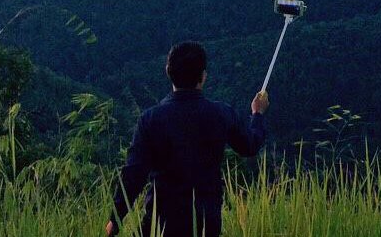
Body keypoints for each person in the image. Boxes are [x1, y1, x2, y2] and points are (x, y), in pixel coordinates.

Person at [105, 41, 269, 237]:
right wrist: (257, 114)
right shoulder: (221, 114)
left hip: (161, 224)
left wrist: (115, 218)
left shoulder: (150, 119)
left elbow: (134, 175)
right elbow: (250, 146)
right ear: (203, 76)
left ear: (168, 71)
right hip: (206, 224)